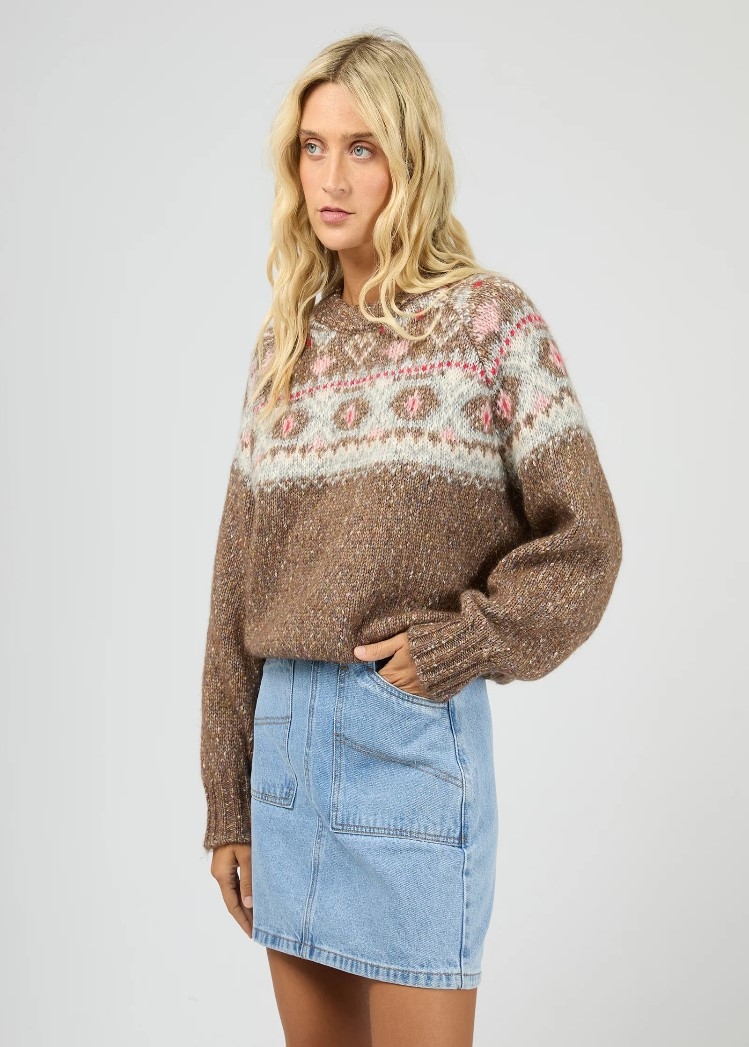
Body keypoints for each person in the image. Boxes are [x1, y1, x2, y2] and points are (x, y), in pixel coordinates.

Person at [200, 28, 623, 1047]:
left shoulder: (488, 324)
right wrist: (227, 801)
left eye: (362, 148)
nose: (331, 178)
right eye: (312, 147)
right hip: (285, 751)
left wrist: (463, 642)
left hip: (406, 744)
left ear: (410, 159)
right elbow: (234, 588)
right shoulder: (285, 347)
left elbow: (586, 540)